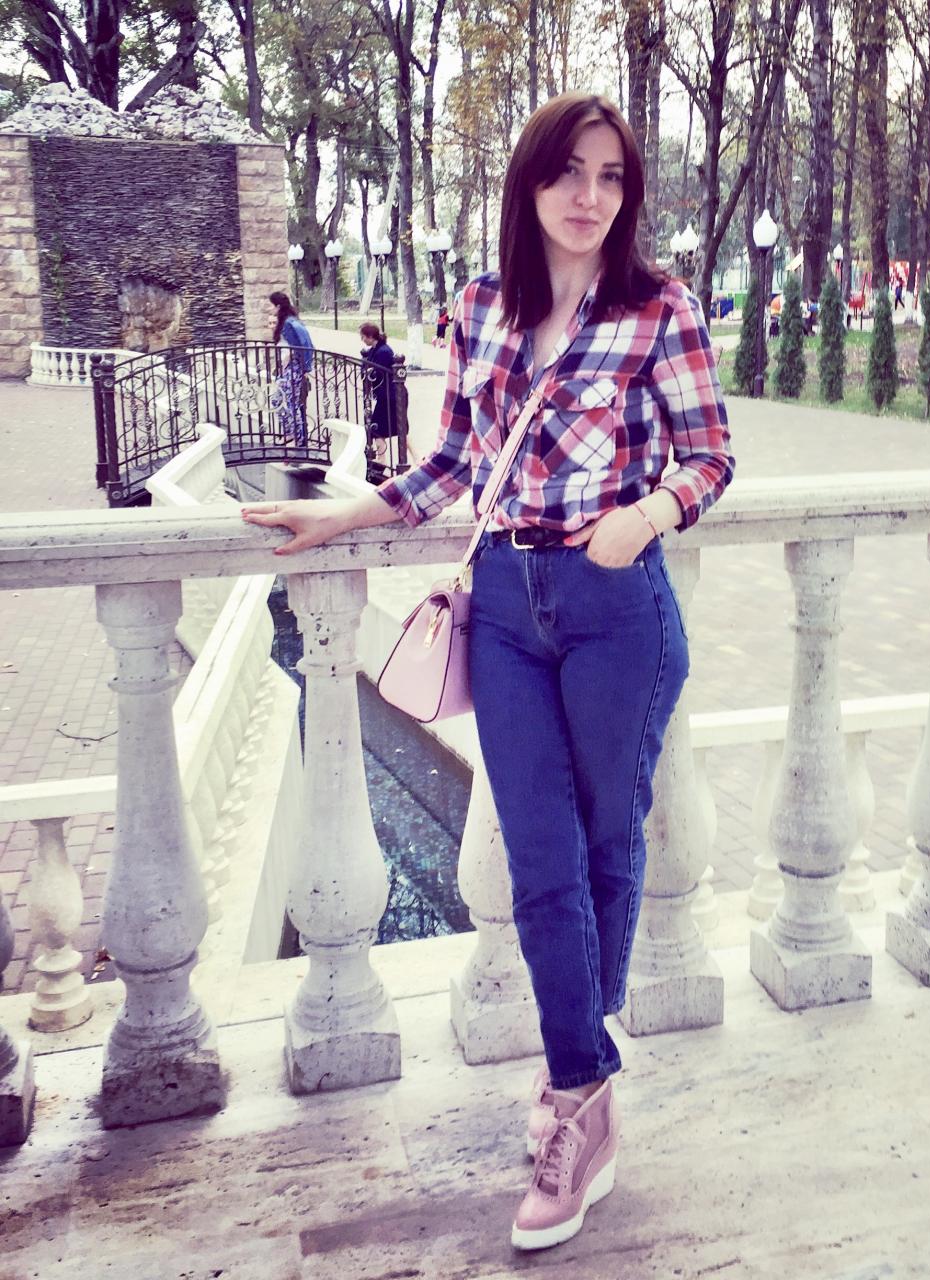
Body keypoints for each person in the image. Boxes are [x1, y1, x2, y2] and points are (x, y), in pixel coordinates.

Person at [241, 93, 733, 1252]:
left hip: (617, 608)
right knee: (541, 853)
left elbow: (711, 453)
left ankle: (573, 1094)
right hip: (506, 609)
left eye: (610, 176)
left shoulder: (657, 309)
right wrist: (345, 513)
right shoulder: (478, 307)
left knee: (608, 840)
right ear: (529, 184)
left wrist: (647, 513)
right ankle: (583, 1085)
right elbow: (458, 461)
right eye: (567, 172)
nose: (589, 195)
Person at [267, 291, 314, 446]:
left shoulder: (289, 323)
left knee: (289, 402)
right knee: (278, 400)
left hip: (293, 368)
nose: (269, 308)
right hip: (288, 368)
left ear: (278, 306)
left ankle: (299, 439)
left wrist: (304, 366)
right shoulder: (287, 321)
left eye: (271, 305)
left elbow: (303, 345)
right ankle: (290, 433)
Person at [359, 321, 397, 465]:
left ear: (370, 336)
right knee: (397, 427)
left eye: (363, 336)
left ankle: (382, 460)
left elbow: (377, 373)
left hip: (390, 395)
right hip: (386, 395)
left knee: (378, 427)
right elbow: (367, 368)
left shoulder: (383, 351)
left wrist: (368, 371)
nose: (362, 340)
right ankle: (382, 459)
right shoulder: (376, 349)